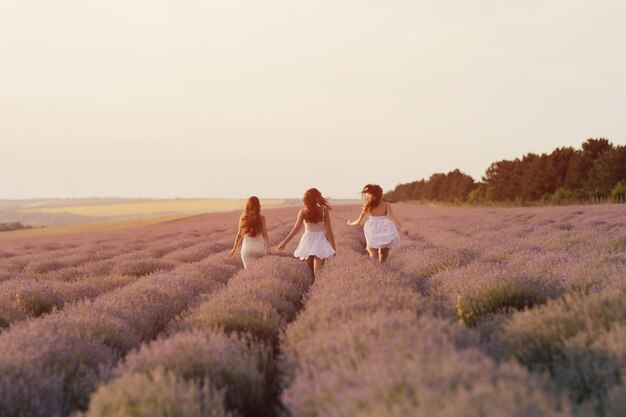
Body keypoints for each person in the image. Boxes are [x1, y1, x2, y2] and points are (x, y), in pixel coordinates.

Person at [277, 188, 336, 277]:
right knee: (319, 272)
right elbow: (329, 231)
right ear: (318, 197)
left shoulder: (303, 212)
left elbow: (295, 229)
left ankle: (312, 285)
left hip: (307, 241)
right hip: (320, 242)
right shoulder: (324, 211)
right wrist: (333, 248)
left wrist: (284, 243)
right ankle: (319, 287)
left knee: (309, 271)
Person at [347, 184, 407, 262]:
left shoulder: (368, 206)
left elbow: (359, 221)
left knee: (373, 254)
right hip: (385, 228)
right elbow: (392, 217)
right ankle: (382, 269)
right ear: (381, 194)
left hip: (372, 228)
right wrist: (401, 227)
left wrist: (350, 223)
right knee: (383, 256)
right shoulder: (385, 205)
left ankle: (377, 270)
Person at [229, 196, 270, 268]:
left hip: (246, 250)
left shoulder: (243, 218)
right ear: (258, 206)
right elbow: (264, 234)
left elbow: (239, 235)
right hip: (258, 249)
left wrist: (233, 250)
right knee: (259, 272)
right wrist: (267, 248)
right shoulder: (262, 218)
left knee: (248, 272)